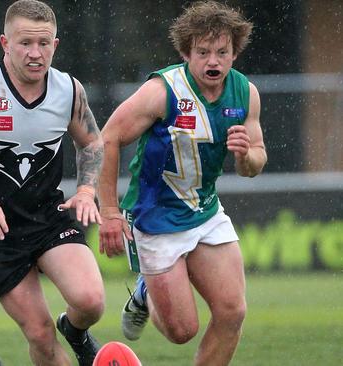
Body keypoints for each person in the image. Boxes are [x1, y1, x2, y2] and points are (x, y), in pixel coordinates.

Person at [0, 1, 106, 365]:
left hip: (48, 216)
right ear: (5, 43)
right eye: (25, 43)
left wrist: (87, 190)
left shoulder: (69, 90)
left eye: (44, 44)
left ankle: (74, 329)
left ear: (55, 45)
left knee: (90, 302)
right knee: (40, 334)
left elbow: (91, 142)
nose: (35, 54)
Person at [97, 1, 266, 365]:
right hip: (155, 219)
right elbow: (107, 138)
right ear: (186, 51)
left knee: (232, 311)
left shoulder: (245, 93)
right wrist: (109, 211)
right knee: (181, 331)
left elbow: (256, 163)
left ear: (235, 53)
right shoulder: (163, 90)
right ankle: (146, 292)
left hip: (205, 212)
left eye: (222, 52)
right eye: (203, 52)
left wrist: (244, 156)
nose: (213, 62)